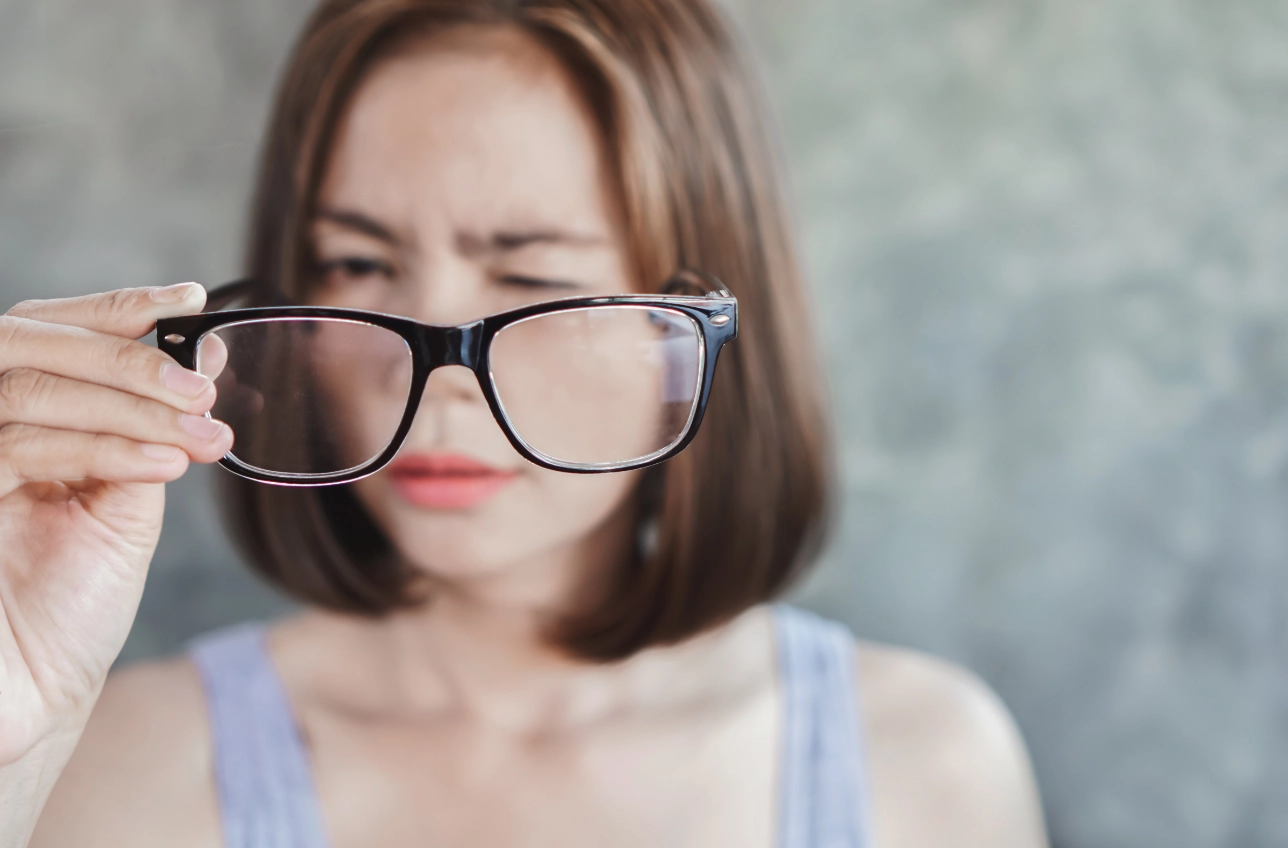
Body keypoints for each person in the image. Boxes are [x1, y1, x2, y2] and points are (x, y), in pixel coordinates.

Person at [0, 1, 1048, 846]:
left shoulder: (925, 765)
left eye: (535, 275)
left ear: (695, 316)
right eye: (359, 264)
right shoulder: (122, 766)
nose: (442, 377)